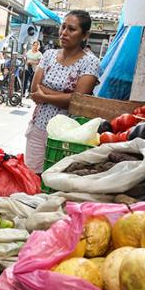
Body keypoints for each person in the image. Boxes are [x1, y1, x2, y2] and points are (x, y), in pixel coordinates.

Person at [24, 10, 99, 173]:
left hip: (68, 136)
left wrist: (45, 94)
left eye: (71, 29)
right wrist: (63, 96)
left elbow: (78, 100)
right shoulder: (49, 55)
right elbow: (33, 88)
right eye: (63, 27)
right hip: (39, 126)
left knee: (56, 180)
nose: (64, 33)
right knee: (31, 177)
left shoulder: (90, 62)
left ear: (85, 35)